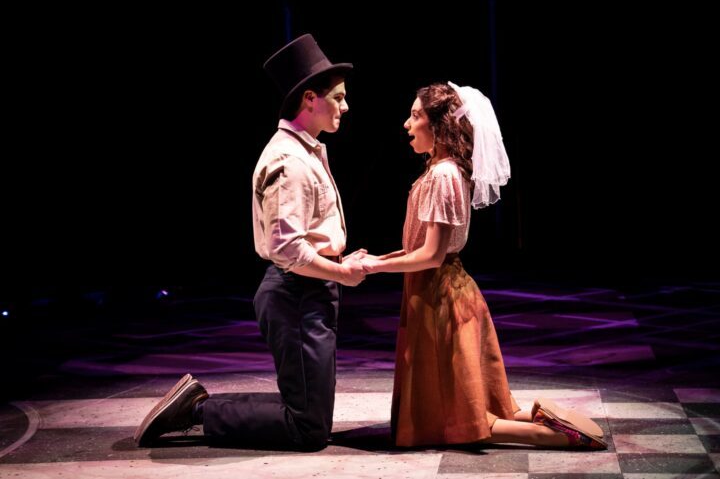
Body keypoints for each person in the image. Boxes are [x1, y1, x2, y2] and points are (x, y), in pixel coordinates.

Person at [134, 34, 366, 451]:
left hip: (310, 287)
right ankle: (198, 411)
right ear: (310, 99)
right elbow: (288, 249)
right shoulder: (290, 161)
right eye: (339, 98)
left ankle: (198, 404)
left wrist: (339, 258)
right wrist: (341, 273)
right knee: (307, 430)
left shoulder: (307, 151)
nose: (345, 107)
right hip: (297, 292)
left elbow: (306, 235)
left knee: (311, 416)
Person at [360, 82, 606, 449]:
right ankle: (539, 415)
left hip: (439, 298)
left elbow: (430, 256)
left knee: (451, 419)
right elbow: (420, 249)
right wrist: (376, 260)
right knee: (462, 403)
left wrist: (373, 269)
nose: (407, 125)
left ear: (439, 125)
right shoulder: (439, 172)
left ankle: (544, 434)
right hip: (437, 290)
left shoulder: (443, 176)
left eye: (415, 116)